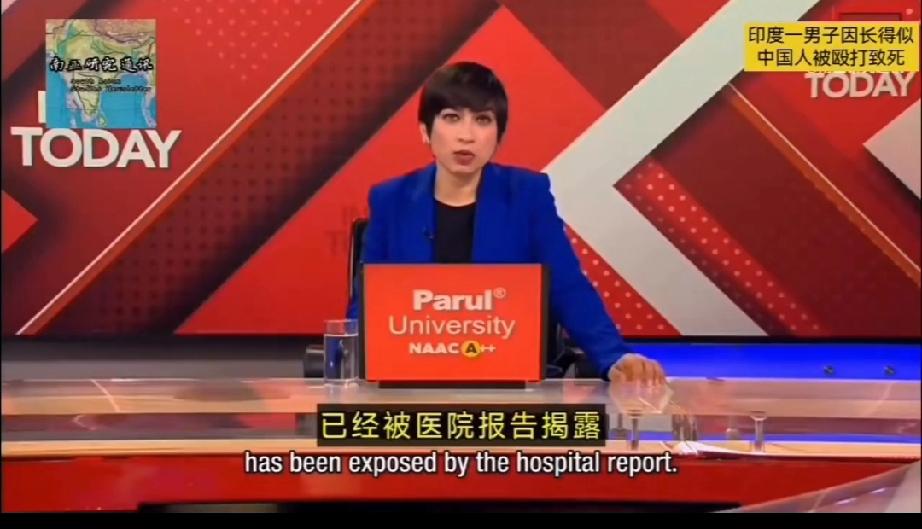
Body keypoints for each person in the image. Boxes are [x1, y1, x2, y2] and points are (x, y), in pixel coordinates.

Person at [347, 61, 665, 384]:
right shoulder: (391, 200)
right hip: (412, 381)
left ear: (498, 135)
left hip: (506, 381)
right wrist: (355, 365)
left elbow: (567, 285)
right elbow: (369, 304)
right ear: (425, 131)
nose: (467, 136)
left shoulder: (527, 195)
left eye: (482, 120)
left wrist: (614, 356)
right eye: (452, 118)